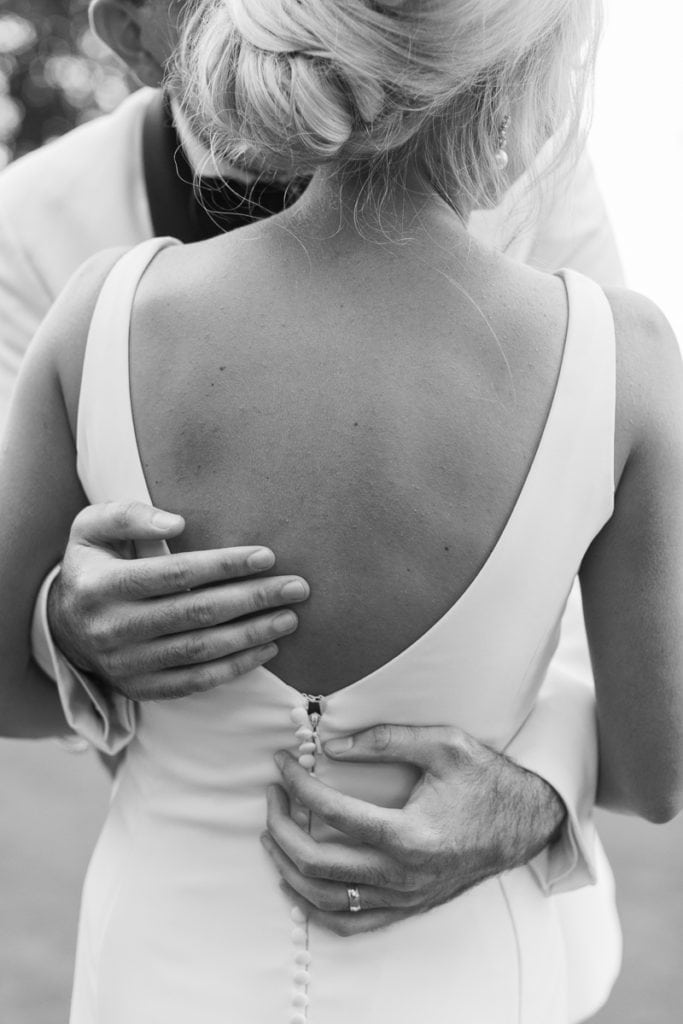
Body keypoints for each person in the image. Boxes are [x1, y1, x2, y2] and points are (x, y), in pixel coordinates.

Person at [3, 0, 683, 1020]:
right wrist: (66, 624)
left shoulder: (101, 311)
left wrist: (533, 785)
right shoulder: (621, 355)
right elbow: (657, 762)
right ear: (522, 71)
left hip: (161, 976)